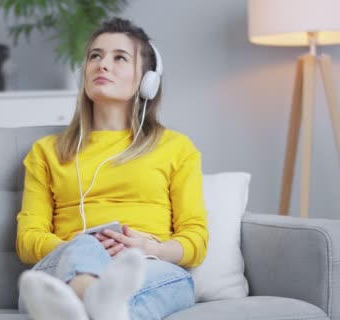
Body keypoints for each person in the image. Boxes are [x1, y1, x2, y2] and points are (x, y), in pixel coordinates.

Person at [15, 17, 208, 320]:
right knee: (85, 248)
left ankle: (85, 309)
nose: (102, 65)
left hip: (145, 264)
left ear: (147, 80)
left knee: (159, 286)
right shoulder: (46, 152)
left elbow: (195, 239)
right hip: (63, 266)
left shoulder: (177, 148)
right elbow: (28, 240)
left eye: (119, 57)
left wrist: (145, 246)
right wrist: (85, 247)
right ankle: (90, 296)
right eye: (95, 56)